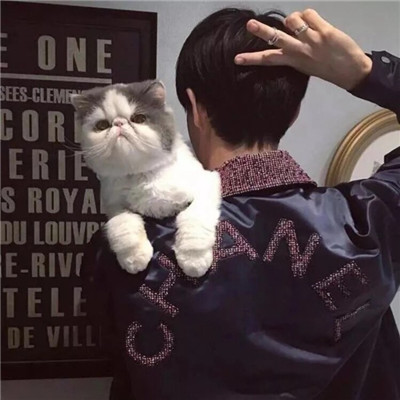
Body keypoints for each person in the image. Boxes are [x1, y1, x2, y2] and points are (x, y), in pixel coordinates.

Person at [82, 8, 400, 400]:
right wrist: (364, 72)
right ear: (295, 111)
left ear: (195, 108)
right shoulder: (370, 222)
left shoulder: (123, 251)